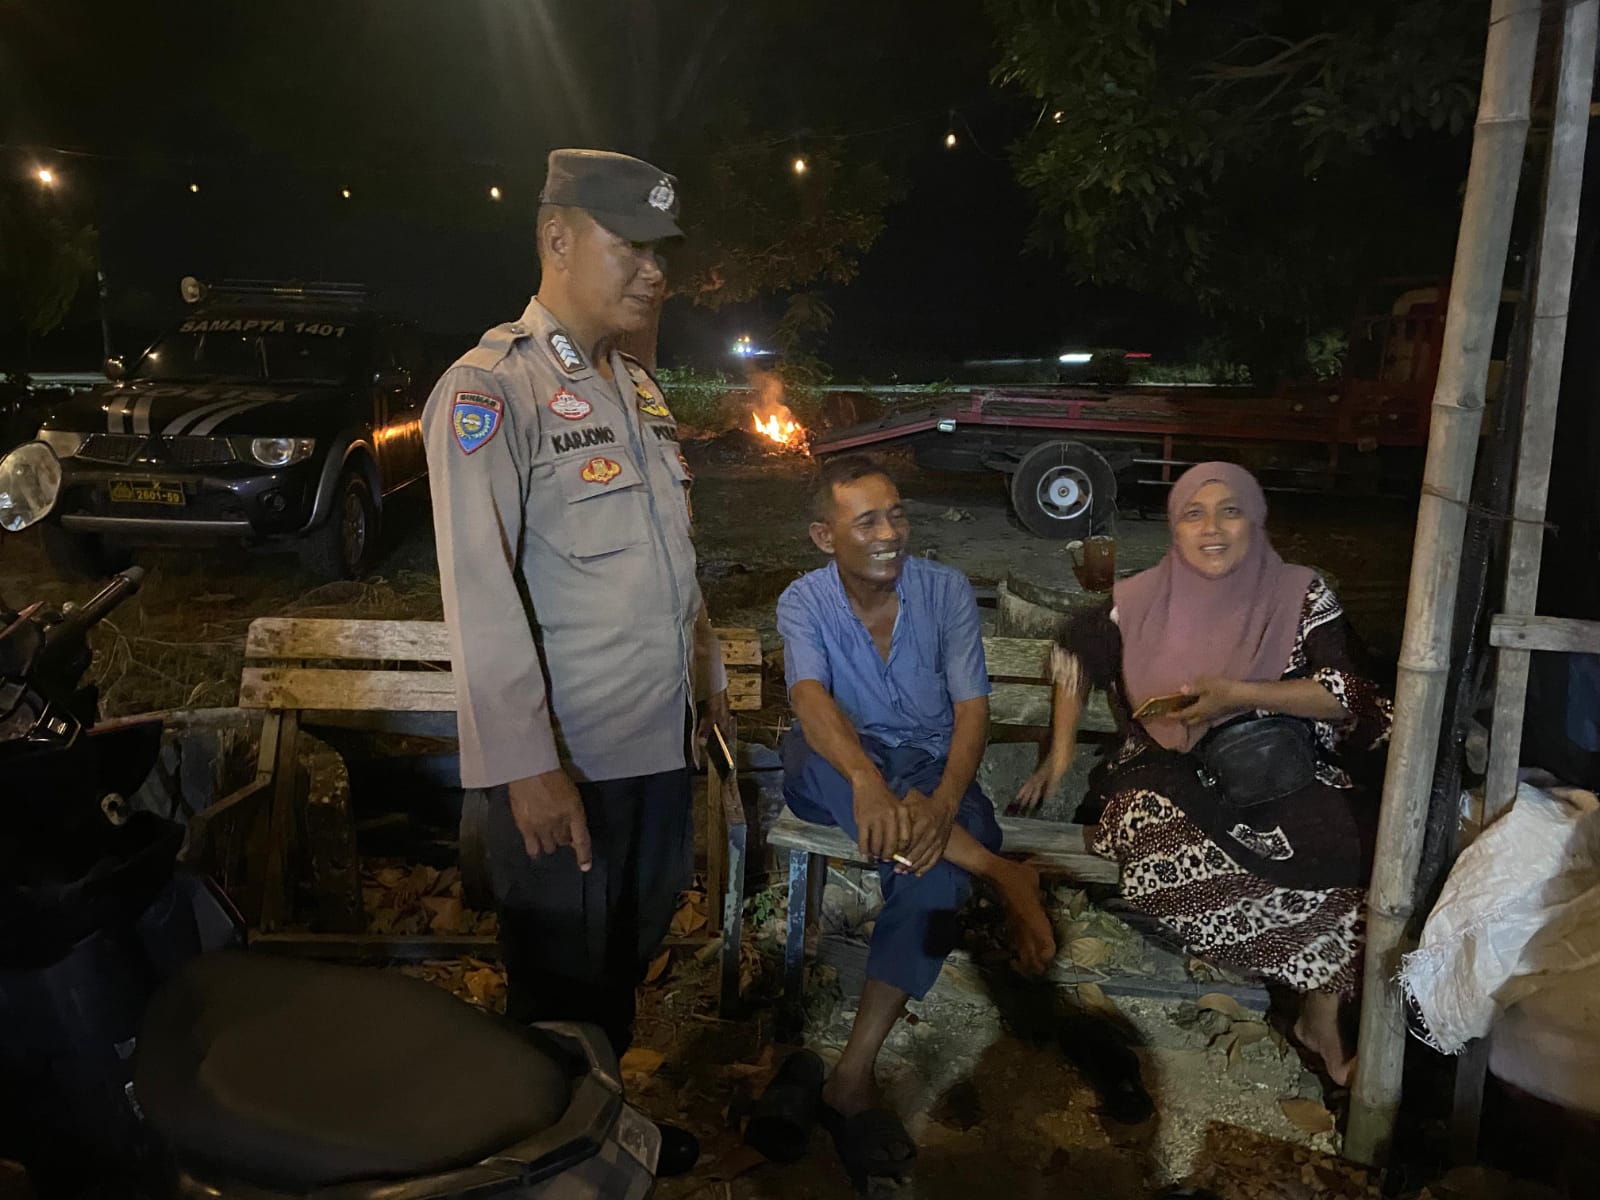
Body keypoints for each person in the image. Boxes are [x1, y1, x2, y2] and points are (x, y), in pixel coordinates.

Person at [423, 149, 729, 1125]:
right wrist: (526, 768)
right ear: (557, 239)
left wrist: (709, 686)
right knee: (555, 998)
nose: (655, 270)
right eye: (630, 245)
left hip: (655, 752)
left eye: (661, 251)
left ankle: (601, 1132)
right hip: (568, 769)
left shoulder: (636, 390)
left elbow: (671, 560)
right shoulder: (490, 390)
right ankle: (543, 1159)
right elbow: (479, 594)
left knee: (619, 970)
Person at [1015, 461, 1391, 1086]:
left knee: (1360, 852)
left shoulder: (1301, 595)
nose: (1211, 528)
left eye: (1229, 511)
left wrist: (1242, 694)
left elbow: (1347, 692)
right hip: (1164, 773)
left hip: (1281, 768)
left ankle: (1318, 1019)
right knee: (1169, 854)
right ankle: (1298, 985)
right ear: (1176, 527)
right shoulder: (1142, 600)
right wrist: (1058, 755)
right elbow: (1073, 652)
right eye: (1194, 514)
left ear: (1256, 520)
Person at [769, 454, 1056, 1188]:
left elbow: (971, 709)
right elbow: (809, 700)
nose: (890, 533)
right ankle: (999, 872)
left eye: (896, 514)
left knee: (930, 882)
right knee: (832, 770)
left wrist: (944, 799)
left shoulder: (945, 590)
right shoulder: (803, 601)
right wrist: (865, 779)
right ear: (825, 536)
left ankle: (850, 1079)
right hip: (836, 763)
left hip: (928, 766)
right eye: (867, 521)